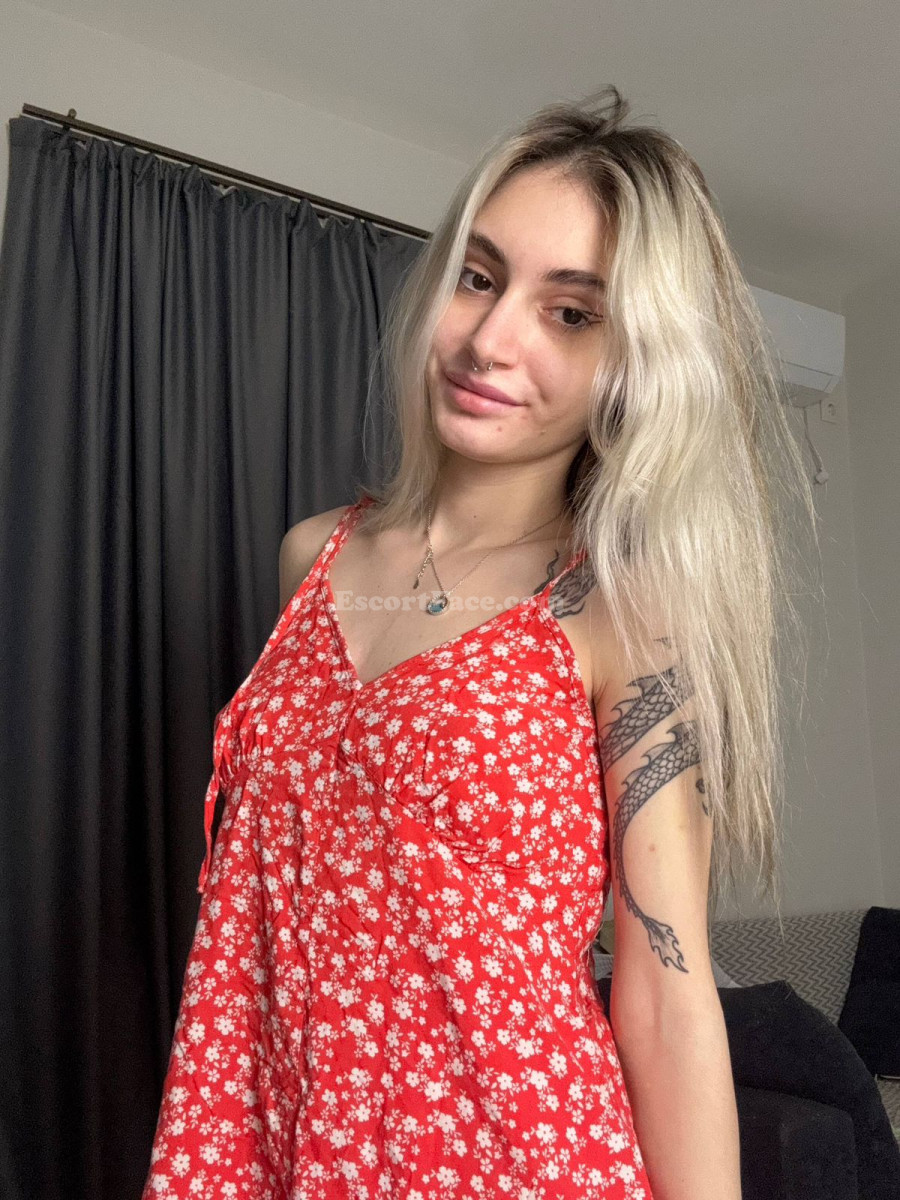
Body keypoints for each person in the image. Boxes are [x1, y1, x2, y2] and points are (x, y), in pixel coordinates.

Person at [143, 85, 817, 1199]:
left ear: (635, 362)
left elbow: (664, 990)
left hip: (510, 1160)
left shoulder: (621, 609)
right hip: (270, 1137)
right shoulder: (311, 557)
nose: (492, 340)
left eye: (572, 313)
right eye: (479, 276)